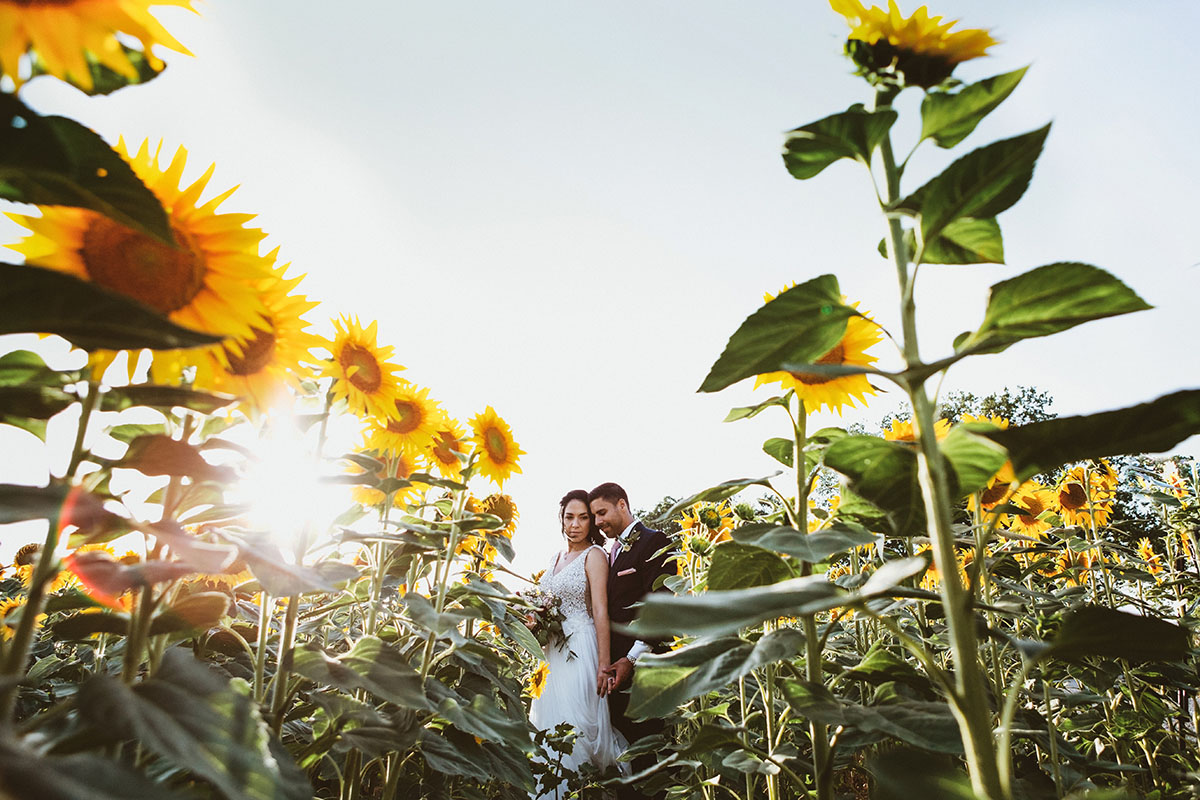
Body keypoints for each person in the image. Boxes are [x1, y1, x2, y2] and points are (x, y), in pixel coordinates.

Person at [529, 489, 631, 799]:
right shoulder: (555, 558)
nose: (575, 524)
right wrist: (534, 620)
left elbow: (600, 611)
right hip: (551, 655)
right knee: (549, 727)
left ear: (590, 523)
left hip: (581, 648)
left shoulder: (595, 555)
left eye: (583, 518)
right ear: (560, 520)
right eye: (569, 517)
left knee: (577, 727)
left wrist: (603, 664)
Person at [589, 482, 675, 800]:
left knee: (651, 760)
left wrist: (632, 658)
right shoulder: (609, 553)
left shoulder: (653, 541)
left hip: (644, 672)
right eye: (594, 516)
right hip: (615, 675)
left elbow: (662, 603)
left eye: (602, 512)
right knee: (627, 758)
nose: (598, 522)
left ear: (622, 505)